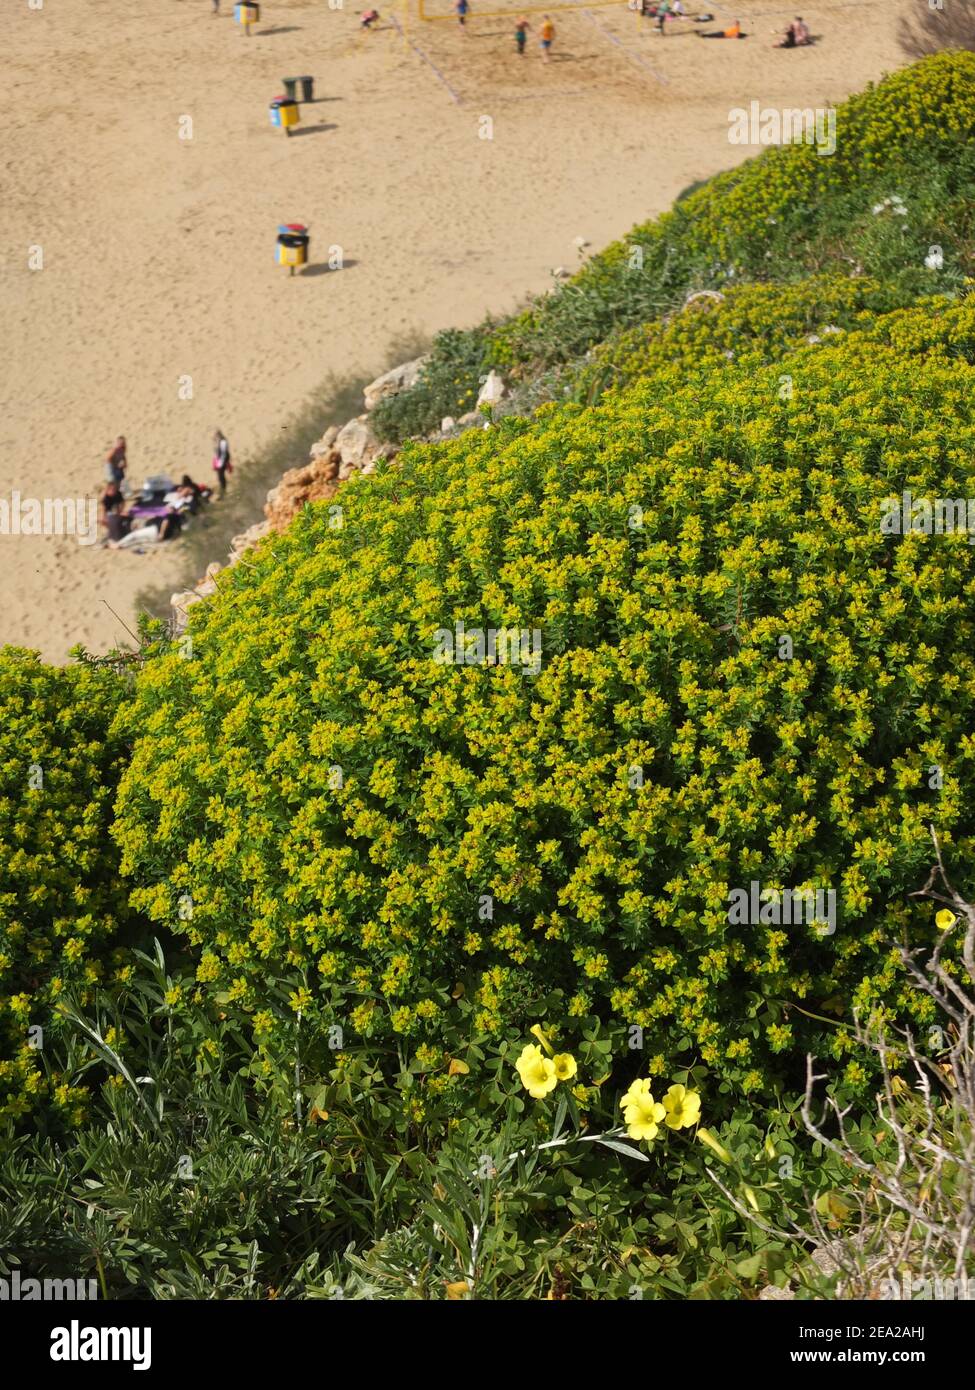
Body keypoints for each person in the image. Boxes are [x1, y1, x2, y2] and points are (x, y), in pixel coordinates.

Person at [100, 480, 128, 544]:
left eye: (114, 489)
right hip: (108, 508)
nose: (113, 491)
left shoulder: (118, 493)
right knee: (104, 520)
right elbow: (103, 509)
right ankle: (111, 529)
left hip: (116, 506)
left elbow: (122, 502)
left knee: (122, 516)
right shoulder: (105, 498)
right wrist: (103, 517)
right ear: (108, 490)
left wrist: (121, 511)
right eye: (111, 490)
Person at [212, 429, 232, 498]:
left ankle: (223, 492)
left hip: (222, 461)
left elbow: (223, 453)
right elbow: (216, 452)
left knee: (221, 477)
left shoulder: (223, 442)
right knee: (220, 477)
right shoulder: (218, 441)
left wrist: (220, 463)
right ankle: (223, 491)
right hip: (219, 461)